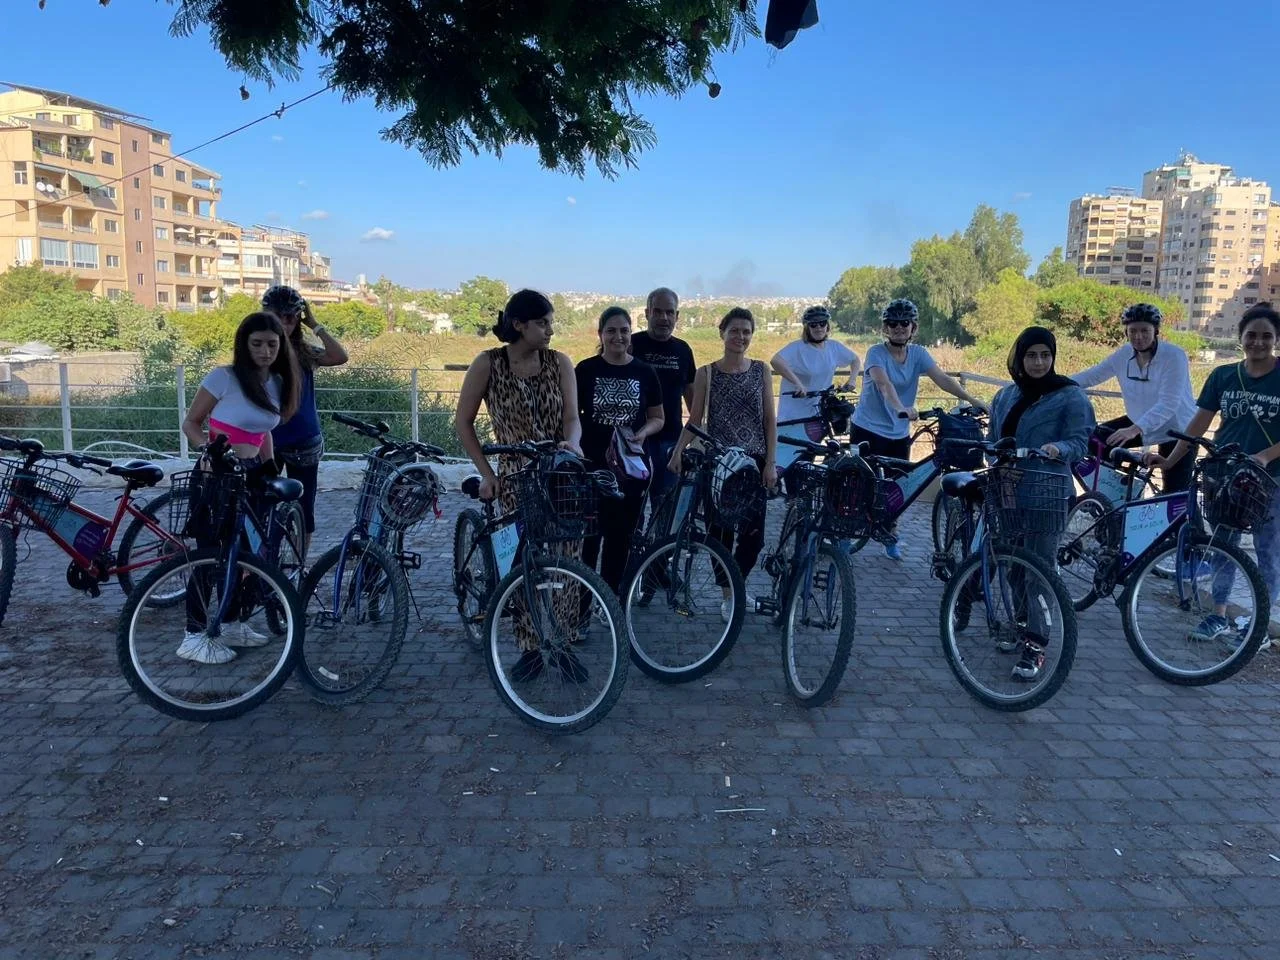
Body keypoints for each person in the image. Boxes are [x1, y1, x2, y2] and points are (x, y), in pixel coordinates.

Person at [455, 289, 585, 682]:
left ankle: (561, 642)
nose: (550, 330)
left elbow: (572, 418)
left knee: (566, 558)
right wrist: (487, 473)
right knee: (521, 562)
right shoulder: (488, 364)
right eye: (543, 323)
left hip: (559, 474)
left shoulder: (560, 362)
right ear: (519, 325)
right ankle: (530, 647)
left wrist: (573, 444)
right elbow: (463, 423)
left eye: (550, 322)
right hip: (513, 476)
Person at [1149, 302, 1280, 646]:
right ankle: (1218, 615)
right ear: (1241, 337)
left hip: (1271, 479)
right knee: (1223, 546)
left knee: (1268, 552)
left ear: (1276, 339)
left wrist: (1265, 456)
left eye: (1266, 336)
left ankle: (1258, 627)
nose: (1258, 342)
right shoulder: (1223, 376)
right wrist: (1171, 460)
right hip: (1225, 476)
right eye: (1251, 335)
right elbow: (1198, 424)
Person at [179, 312, 302, 664]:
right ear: (243, 345)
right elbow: (191, 423)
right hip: (217, 474)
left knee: (247, 554)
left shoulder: (277, 383)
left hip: (252, 474)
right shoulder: (224, 377)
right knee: (211, 555)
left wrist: (269, 466)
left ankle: (232, 622)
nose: (265, 351)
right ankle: (193, 635)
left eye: (272, 344)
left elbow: (263, 431)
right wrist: (211, 450)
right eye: (257, 344)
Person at [989, 326, 1095, 681]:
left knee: (1039, 569)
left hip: (1047, 491)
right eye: (1031, 355)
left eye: (1045, 355)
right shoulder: (1005, 396)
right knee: (1013, 566)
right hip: (1007, 491)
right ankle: (1021, 625)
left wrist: (1057, 449)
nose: (1038, 362)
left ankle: (1037, 642)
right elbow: (994, 440)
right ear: (1019, 358)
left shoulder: (1070, 396)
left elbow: (1080, 442)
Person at [851, 298, 989, 559]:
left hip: (898, 433)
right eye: (893, 323)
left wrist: (972, 400)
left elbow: (943, 379)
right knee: (860, 483)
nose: (899, 328)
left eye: (904, 323)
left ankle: (890, 534)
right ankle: (846, 532)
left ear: (913, 327)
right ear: (885, 327)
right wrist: (900, 407)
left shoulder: (918, 354)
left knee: (897, 488)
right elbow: (883, 384)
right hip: (867, 428)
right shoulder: (876, 353)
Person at [668, 307, 777, 620]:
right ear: (722, 334)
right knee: (720, 536)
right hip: (719, 466)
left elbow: (769, 420)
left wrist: (771, 462)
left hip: (754, 463)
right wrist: (678, 451)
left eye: (746, 331)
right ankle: (730, 597)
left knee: (753, 538)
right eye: (735, 331)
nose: (740, 337)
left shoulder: (761, 370)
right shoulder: (707, 373)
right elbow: (695, 419)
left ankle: (736, 587)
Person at [575, 307, 664, 593]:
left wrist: (643, 433)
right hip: (592, 467)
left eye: (624, 330)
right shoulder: (585, 370)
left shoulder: (645, 371)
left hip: (629, 470)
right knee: (589, 539)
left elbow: (658, 418)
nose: (618, 336)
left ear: (630, 333)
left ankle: (610, 600)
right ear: (600, 334)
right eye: (611, 330)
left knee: (621, 539)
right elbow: (571, 416)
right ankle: (583, 605)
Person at [1071, 303, 1196, 493]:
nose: (1138, 336)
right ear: (1126, 332)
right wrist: (1055, 383)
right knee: (1094, 440)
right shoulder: (1124, 354)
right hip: (1139, 420)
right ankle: (1119, 492)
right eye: (1133, 331)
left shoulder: (1174, 356)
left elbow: (1169, 403)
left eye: (1145, 330)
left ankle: (1179, 511)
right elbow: (1092, 376)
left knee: (1175, 493)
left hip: (1178, 428)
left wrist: (1133, 430)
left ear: (1156, 331)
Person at [261, 284, 349, 543]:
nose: (284, 323)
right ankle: (258, 561)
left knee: (303, 510)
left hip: (303, 440)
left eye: (290, 317)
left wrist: (314, 324)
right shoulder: (258, 349)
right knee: (259, 504)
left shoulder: (304, 352)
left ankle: (299, 562)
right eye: (277, 316)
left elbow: (339, 356)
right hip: (264, 438)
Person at [629, 287, 696, 501]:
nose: (663, 318)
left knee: (666, 504)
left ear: (677, 316)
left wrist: (695, 435)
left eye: (669, 312)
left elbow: (691, 395)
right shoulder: (631, 344)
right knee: (632, 504)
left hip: (671, 440)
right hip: (634, 439)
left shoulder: (683, 350)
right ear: (647, 313)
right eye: (657, 311)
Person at [771, 305, 860, 464]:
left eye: (822, 323)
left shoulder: (833, 347)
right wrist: (798, 384)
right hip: (795, 416)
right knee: (790, 459)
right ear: (807, 328)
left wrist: (852, 380)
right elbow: (776, 361)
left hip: (817, 413)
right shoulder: (797, 348)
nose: (818, 328)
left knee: (810, 457)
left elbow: (855, 360)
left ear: (827, 326)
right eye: (813, 325)